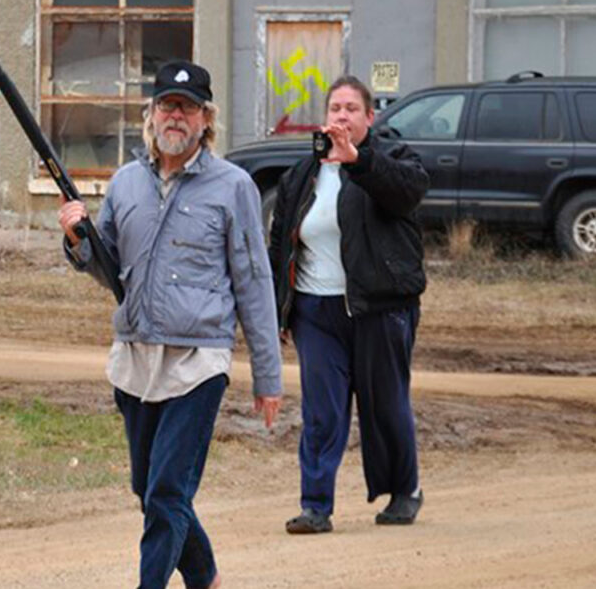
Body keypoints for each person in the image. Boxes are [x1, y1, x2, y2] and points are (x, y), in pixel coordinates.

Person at [59, 61, 283, 589]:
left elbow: (253, 282)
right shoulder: (127, 182)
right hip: (135, 356)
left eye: (187, 108)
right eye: (166, 105)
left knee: (166, 493)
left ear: (207, 119)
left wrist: (268, 377)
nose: (175, 116)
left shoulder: (235, 188)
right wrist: (76, 238)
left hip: (199, 361)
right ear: (152, 115)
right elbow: (107, 265)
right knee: (151, 488)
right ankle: (205, 577)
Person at [268, 75, 429, 535]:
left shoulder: (392, 160)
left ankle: (404, 490)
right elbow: (281, 243)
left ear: (369, 118)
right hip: (317, 313)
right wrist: (282, 309)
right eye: (335, 108)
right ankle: (315, 506)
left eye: (352, 109)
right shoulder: (302, 175)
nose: (342, 116)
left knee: (386, 404)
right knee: (323, 411)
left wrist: (359, 161)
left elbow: (406, 193)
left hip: (380, 307)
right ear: (325, 118)